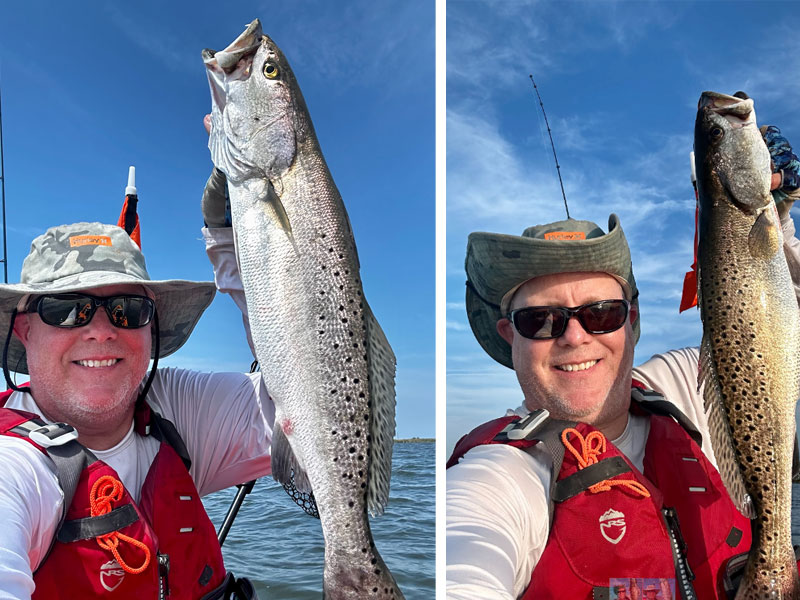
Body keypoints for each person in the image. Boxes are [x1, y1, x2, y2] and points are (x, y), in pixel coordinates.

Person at [446, 124, 800, 599]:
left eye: (601, 314)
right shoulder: (500, 477)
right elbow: (466, 556)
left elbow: (771, 326)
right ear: (509, 334)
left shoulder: (686, 385)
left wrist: (777, 216)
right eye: (540, 320)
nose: (574, 337)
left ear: (630, 320)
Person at [0, 164, 272, 598]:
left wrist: (245, 242)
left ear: (151, 329)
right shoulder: (11, 468)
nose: (102, 331)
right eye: (67, 308)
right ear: (25, 331)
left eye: (127, 309)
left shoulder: (174, 410)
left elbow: (320, 405)